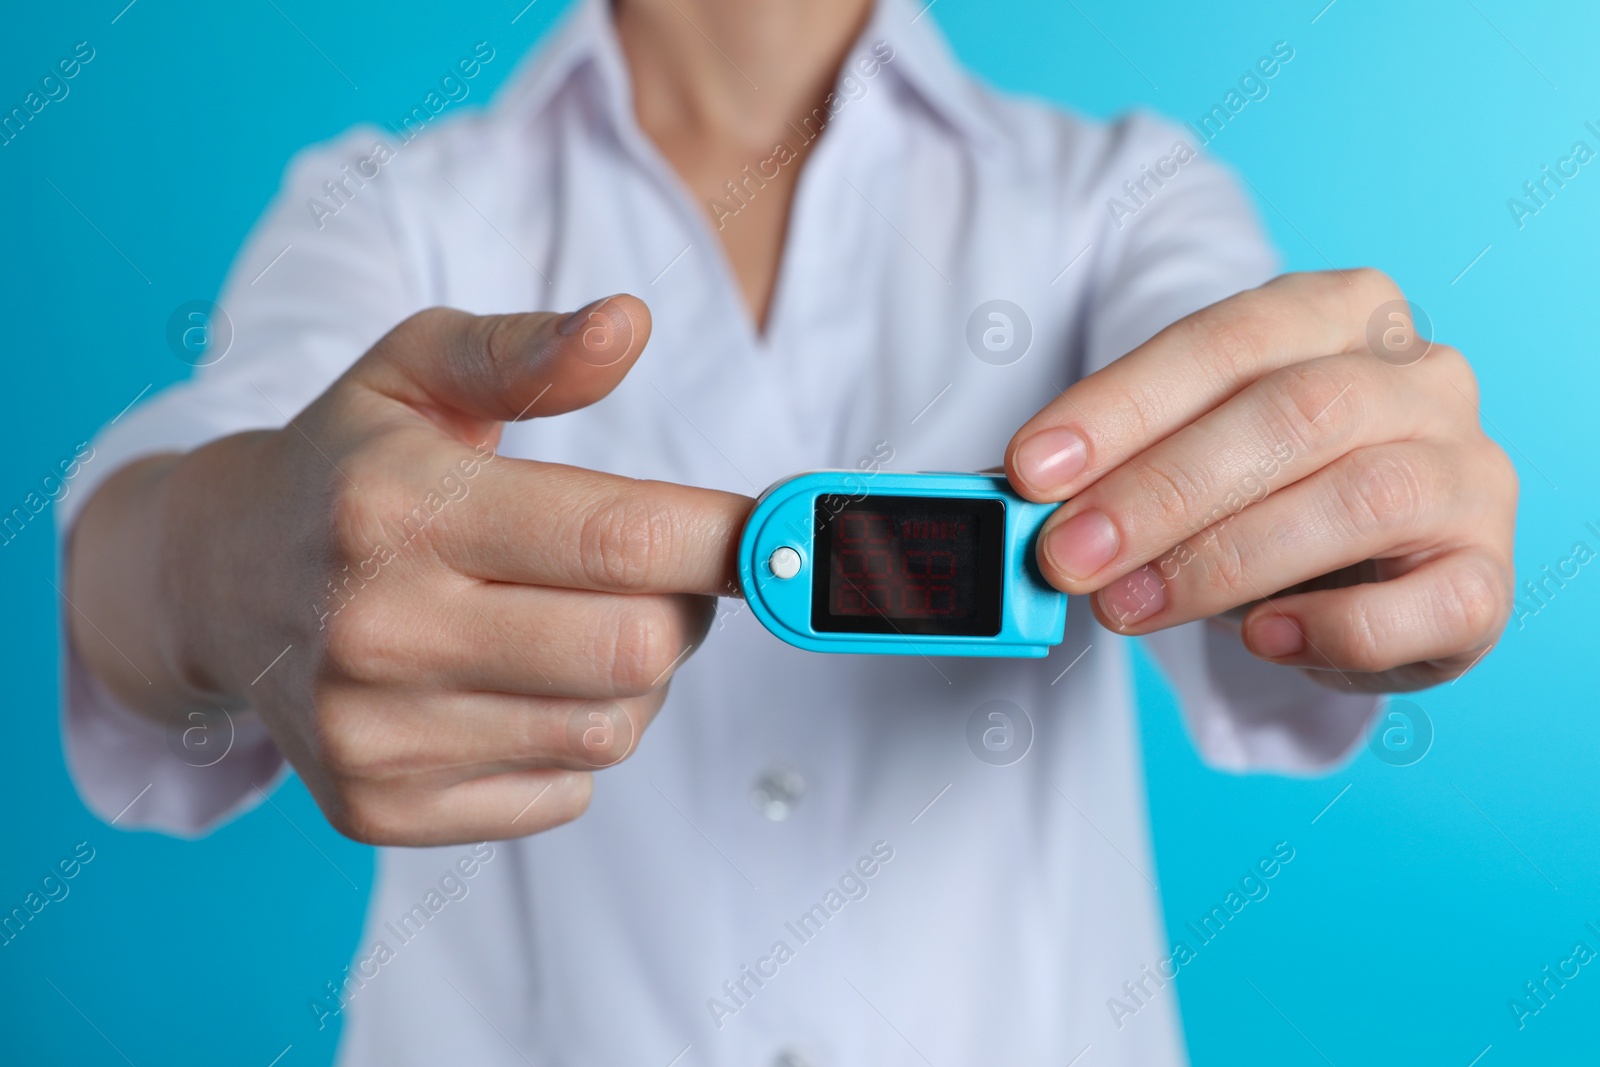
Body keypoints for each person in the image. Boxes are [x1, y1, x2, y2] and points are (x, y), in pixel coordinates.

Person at [57, 0, 1517, 1062]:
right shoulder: (385, 207)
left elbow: (1242, 409)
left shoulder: (1119, 201)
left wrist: (1350, 507)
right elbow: (180, 497)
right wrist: (210, 560)